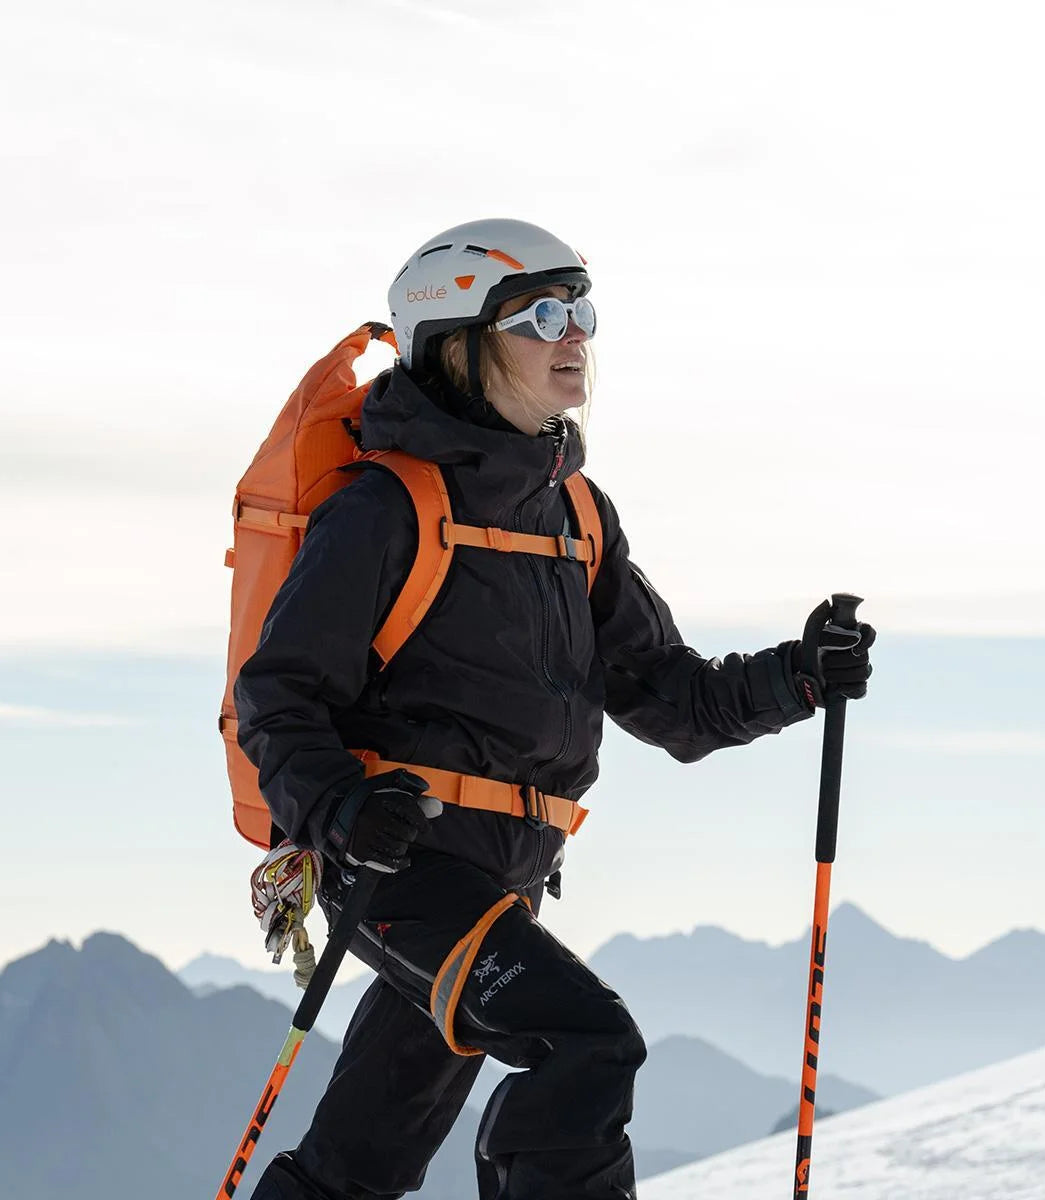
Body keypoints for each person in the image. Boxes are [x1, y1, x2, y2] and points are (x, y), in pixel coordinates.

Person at [234, 218, 874, 1200]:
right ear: (456, 342)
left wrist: (798, 675)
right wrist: (341, 810)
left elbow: (670, 695)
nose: (575, 334)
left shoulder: (575, 515)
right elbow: (277, 695)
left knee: (364, 1158)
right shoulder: (384, 507)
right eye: (541, 313)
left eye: (581, 310)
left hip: (504, 877)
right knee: (586, 1040)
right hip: (397, 870)